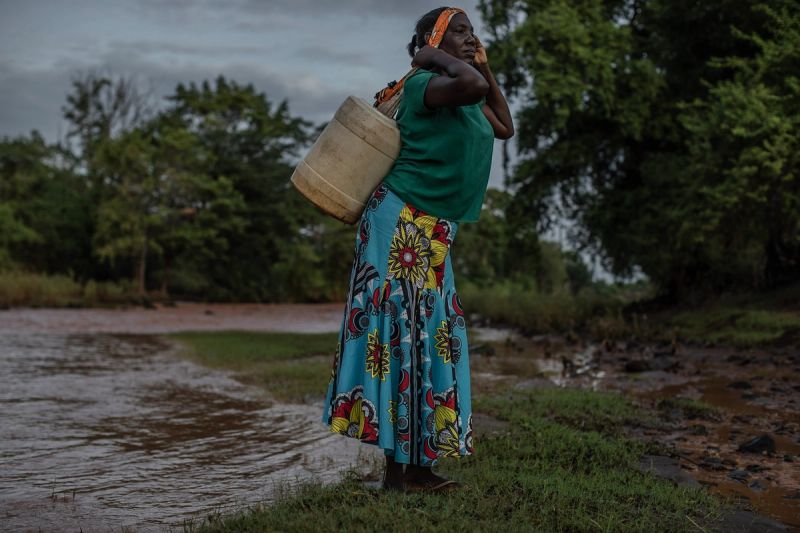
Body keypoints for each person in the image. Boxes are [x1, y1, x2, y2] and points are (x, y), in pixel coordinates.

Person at [322, 6, 513, 492]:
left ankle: (419, 468)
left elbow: (504, 125)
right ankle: (398, 475)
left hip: (432, 228)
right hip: (399, 220)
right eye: (461, 32)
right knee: (401, 338)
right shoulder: (422, 85)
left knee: (430, 336)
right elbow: (467, 84)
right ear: (434, 41)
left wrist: (483, 61)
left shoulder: (464, 95)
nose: (472, 39)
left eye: (475, 33)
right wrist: (430, 55)